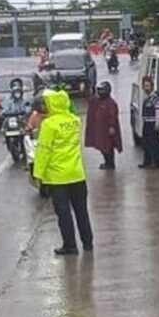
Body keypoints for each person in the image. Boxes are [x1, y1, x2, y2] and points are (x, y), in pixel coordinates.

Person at [33, 90, 93, 256]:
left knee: (64, 213)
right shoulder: (75, 120)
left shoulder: (49, 124)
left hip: (58, 177)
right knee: (82, 211)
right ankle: (88, 242)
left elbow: (44, 151)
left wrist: (38, 174)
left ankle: (70, 245)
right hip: (77, 174)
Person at [85, 81, 122, 170]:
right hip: (100, 129)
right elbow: (90, 100)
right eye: (99, 90)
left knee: (108, 147)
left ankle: (110, 163)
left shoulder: (111, 103)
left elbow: (113, 115)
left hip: (107, 130)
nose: (100, 92)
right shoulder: (98, 101)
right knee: (102, 146)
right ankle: (107, 162)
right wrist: (86, 89)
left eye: (102, 90)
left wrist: (112, 126)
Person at [138, 76, 159, 169]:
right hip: (146, 123)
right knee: (146, 144)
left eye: (148, 86)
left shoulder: (156, 99)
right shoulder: (146, 99)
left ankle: (156, 162)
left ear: (152, 86)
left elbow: (158, 112)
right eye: (145, 86)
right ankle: (147, 162)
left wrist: (157, 124)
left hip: (153, 124)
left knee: (154, 144)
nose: (146, 88)